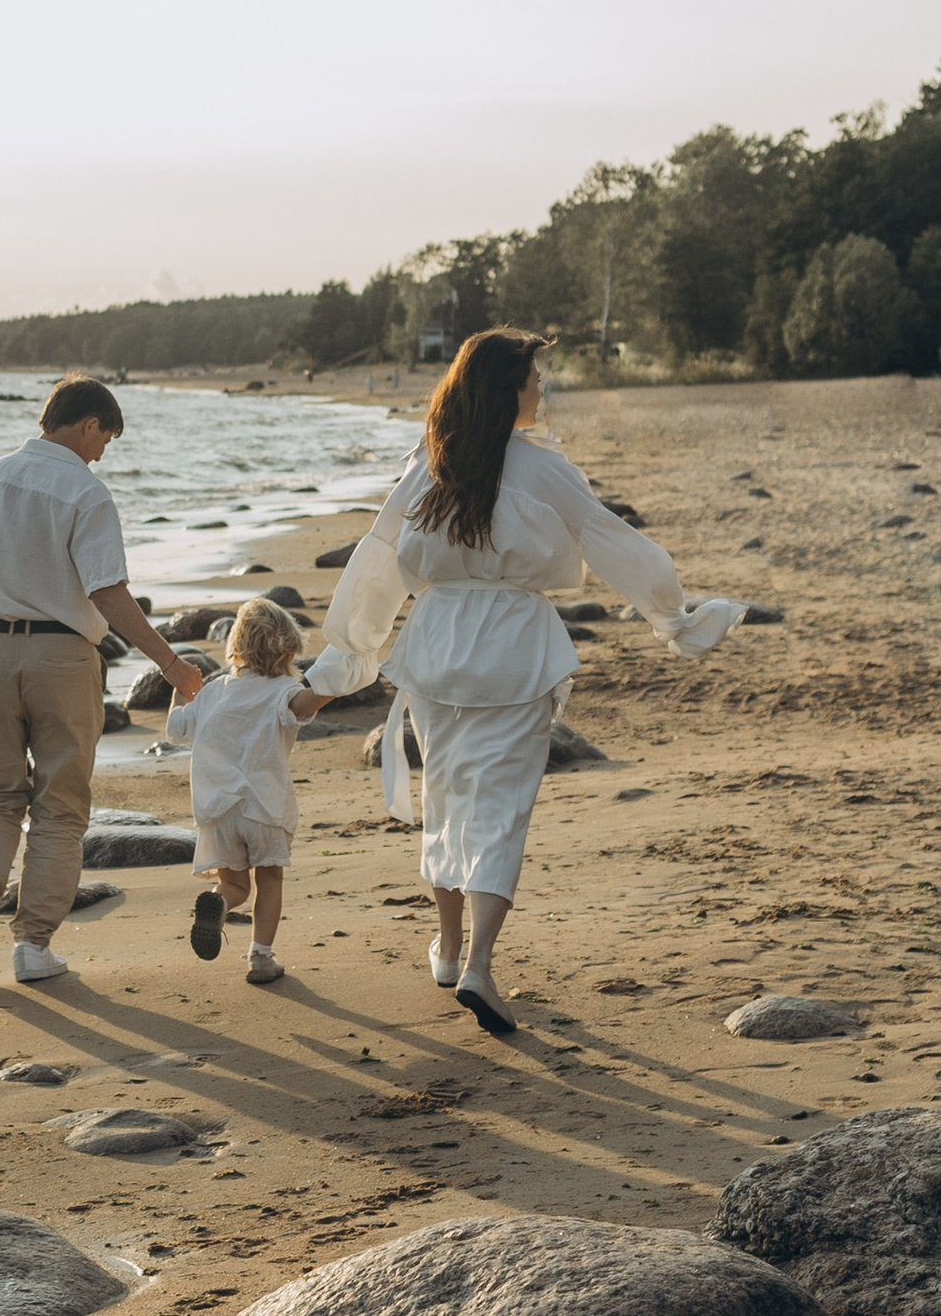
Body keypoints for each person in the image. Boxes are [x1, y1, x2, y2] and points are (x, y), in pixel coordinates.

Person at [304, 329, 740, 1036]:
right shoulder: (543, 470)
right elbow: (610, 540)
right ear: (507, 389)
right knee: (502, 812)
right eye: (536, 377)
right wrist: (674, 616)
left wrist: (346, 659)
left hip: (438, 647)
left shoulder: (429, 464)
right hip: (513, 648)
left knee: (444, 798)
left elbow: (378, 560)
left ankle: (446, 954)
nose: (544, 389)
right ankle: (478, 965)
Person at [0, 377, 206, 984]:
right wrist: (171, 663)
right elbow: (107, 591)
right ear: (87, 424)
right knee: (59, 807)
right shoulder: (85, 491)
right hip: (61, 657)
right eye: (106, 438)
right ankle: (32, 946)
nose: (103, 452)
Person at [164, 595, 323, 984]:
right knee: (269, 880)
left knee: (236, 884)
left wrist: (181, 689)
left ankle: (219, 903)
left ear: (235, 644)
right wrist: (339, 680)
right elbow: (305, 705)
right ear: (288, 648)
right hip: (263, 807)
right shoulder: (285, 690)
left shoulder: (215, 692)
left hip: (218, 810)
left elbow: (175, 729)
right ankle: (260, 957)